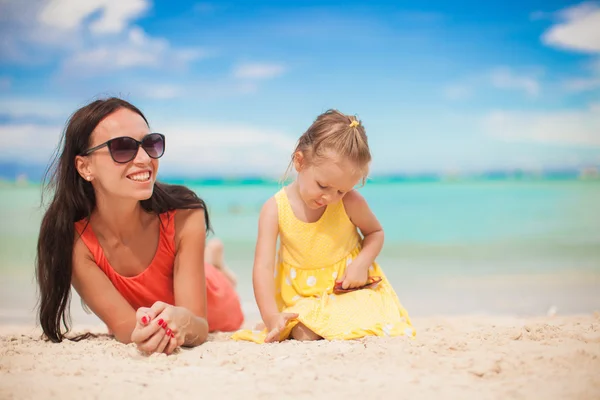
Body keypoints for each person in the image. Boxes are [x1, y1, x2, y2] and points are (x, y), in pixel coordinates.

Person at [36, 97, 244, 355]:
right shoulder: (75, 244)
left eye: (150, 144)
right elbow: (125, 328)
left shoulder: (184, 215)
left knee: (220, 286)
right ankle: (212, 263)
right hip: (162, 314)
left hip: (217, 302)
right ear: (85, 166)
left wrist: (181, 321)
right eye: (123, 148)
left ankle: (216, 268)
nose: (145, 158)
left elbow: (200, 327)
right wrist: (149, 330)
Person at [231, 109, 415, 343]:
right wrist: (270, 317)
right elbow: (263, 268)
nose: (330, 197)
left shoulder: (350, 202)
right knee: (304, 329)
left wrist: (361, 264)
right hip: (303, 297)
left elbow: (375, 233)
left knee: (370, 315)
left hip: (350, 292)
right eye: (323, 185)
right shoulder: (275, 209)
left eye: (341, 190)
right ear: (300, 161)